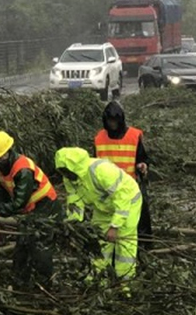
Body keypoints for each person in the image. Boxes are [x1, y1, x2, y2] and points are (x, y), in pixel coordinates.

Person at [55, 147, 141, 286]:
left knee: (124, 246)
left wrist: (115, 226)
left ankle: (126, 284)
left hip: (128, 203)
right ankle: (97, 281)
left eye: (67, 171)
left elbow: (122, 198)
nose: (65, 175)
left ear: (75, 167)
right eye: (62, 171)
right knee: (99, 243)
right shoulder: (70, 179)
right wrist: (73, 227)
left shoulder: (102, 171)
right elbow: (75, 201)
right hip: (103, 207)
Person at [0, 130, 60, 281]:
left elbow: (20, 201)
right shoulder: (1, 169)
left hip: (46, 207)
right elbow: (0, 197)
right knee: (23, 244)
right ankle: (20, 279)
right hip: (31, 209)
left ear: (8, 151)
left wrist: (0, 212)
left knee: (39, 245)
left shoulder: (23, 169)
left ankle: (45, 281)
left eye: (1, 158)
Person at [94, 101, 152, 249]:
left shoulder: (133, 135)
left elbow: (142, 157)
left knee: (141, 215)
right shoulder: (99, 138)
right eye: (109, 121)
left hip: (130, 185)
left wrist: (142, 165)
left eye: (115, 121)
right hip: (107, 187)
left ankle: (144, 244)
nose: (112, 124)